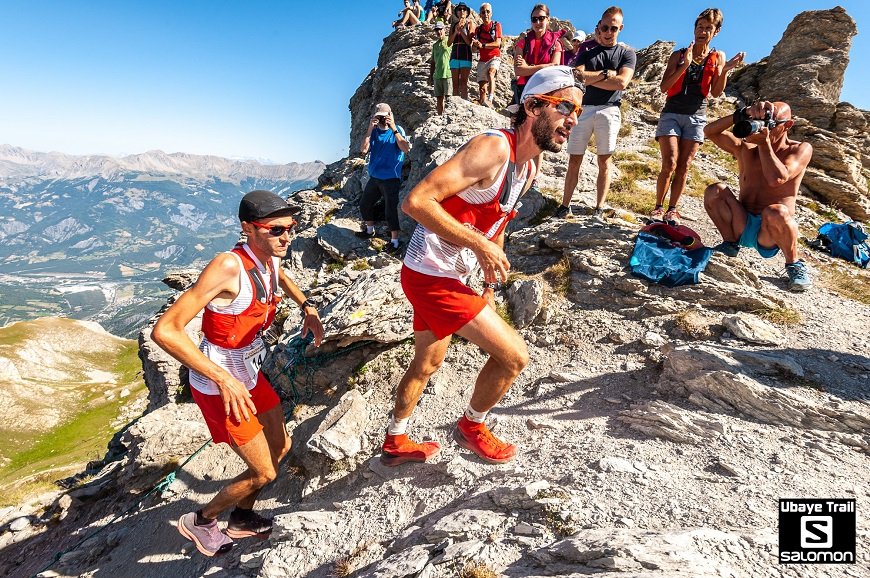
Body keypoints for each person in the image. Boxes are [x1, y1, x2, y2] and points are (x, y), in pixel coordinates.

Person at [381, 66, 583, 466]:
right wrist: (479, 245)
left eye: (577, 111)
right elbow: (416, 202)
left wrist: (488, 278)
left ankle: (395, 440)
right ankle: (473, 425)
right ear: (532, 106)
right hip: (432, 275)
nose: (573, 120)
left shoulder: (529, 166)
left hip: (446, 273)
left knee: (428, 362)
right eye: (564, 107)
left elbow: (497, 221)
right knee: (515, 356)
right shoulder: (493, 148)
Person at [152, 190, 325, 557]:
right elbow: (165, 330)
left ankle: (242, 519)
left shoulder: (270, 255)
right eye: (275, 229)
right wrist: (223, 378)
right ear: (248, 228)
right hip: (221, 385)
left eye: (291, 228)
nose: (286, 237)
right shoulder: (228, 267)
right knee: (264, 472)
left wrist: (307, 306)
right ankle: (200, 520)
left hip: (248, 373)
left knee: (282, 446)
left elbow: (282, 275)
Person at [703, 100, 813, 292]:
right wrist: (742, 114)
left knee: (776, 211)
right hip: (741, 221)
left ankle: (794, 264)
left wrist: (765, 144)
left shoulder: (800, 149)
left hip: (771, 230)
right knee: (715, 191)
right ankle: (730, 245)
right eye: (758, 121)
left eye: (770, 123)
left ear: (787, 125)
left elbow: (777, 179)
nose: (761, 127)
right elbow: (709, 131)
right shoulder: (746, 147)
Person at [652, 8, 744, 224]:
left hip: (696, 116)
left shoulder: (717, 56)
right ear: (694, 29)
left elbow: (716, 92)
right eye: (699, 27)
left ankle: (672, 210)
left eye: (708, 28)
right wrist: (684, 65)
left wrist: (726, 69)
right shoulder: (679, 55)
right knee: (670, 163)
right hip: (672, 113)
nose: (702, 32)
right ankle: (658, 208)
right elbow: (665, 87)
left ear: (716, 31)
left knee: (684, 165)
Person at [559, 6, 636, 219]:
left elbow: (622, 82)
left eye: (613, 28)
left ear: (620, 28)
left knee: (605, 160)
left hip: (610, 110)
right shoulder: (585, 51)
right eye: (605, 27)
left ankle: (599, 208)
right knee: (574, 159)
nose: (608, 32)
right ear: (599, 27)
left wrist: (592, 78)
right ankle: (565, 206)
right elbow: (577, 78)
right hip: (583, 110)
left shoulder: (627, 53)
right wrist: (605, 75)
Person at [357, 103, 411, 253]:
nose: (382, 119)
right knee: (364, 204)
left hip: (391, 178)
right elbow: (363, 150)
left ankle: (394, 242)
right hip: (375, 177)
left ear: (390, 115)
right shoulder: (373, 132)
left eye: (385, 116)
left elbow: (405, 148)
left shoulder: (397, 130)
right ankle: (369, 230)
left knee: (390, 210)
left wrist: (393, 128)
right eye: (379, 116)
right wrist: (369, 129)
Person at [512, 4, 563, 105]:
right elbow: (518, 70)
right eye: (534, 19)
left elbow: (555, 68)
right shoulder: (523, 43)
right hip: (524, 90)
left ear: (548, 19)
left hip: (547, 92)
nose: (538, 22)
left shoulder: (556, 43)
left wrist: (528, 67)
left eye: (541, 18)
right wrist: (546, 66)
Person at [472, 3, 502, 108]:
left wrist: (482, 45)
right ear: (480, 14)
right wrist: (476, 46)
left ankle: (490, 98)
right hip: (482, 59)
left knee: (491, 73)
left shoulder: (496, 25)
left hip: (494, 57)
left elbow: (498, 43)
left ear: (491, 13)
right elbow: (474, 49)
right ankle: (483, 102)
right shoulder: (478, 29)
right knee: (482, 88)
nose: (486, 14)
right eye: (483, 12)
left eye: (488, 11)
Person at [448, 2, 474, 100]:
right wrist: (455, 32)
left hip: (465, 53)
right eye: (459, 9)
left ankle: (464, 104)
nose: (462, 11)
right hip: (454, 54)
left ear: (467, 12)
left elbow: (468, 42)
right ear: (457, 12)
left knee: (463, 83)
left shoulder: (470, 23)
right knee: (455, 84)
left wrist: (461, 31)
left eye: (464, 9)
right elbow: (448, 43)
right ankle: (455, 104)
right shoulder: (453, 24)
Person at [430, 22, 452, 115]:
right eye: (437, 30)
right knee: (439, 98)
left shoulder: (449, 41)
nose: (439, 32)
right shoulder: (435, 45)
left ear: (444, 29)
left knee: (449, 97)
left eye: (440, 29)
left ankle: (449, 116)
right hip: (437, 75)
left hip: (448, 73)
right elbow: (433, 62)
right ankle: (440, 116)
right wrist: (430, 76)